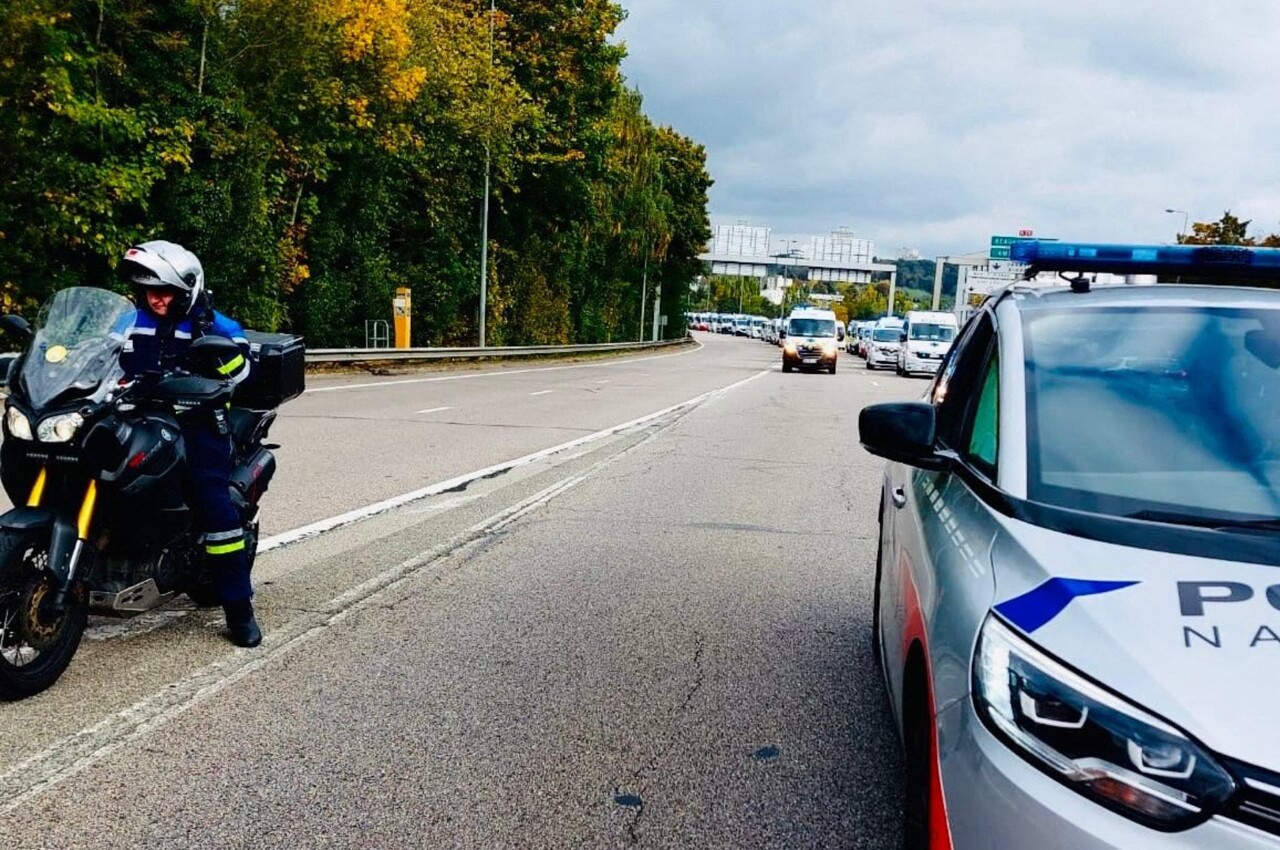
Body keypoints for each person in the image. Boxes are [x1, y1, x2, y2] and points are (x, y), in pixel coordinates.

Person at [116, 240, 261, 647]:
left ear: (187, 290)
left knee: (212, 503)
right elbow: (94, 354)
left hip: (197, 423)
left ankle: (239, 609)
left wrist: (214, 354)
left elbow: (242, 373)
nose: (155, 299)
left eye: (164, 292)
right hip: (138, 417)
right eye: (148, 291)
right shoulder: (129, 321)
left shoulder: (215, 326)